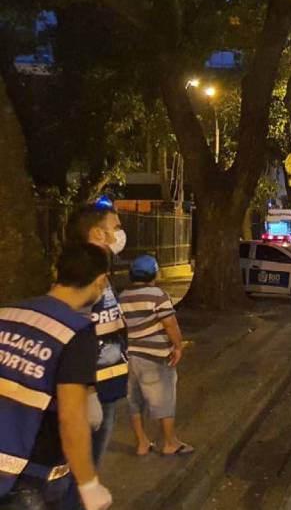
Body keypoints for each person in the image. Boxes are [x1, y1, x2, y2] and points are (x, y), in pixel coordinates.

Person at [0, 243, 114, 510]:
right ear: (100, 281)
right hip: (30, 477)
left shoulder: (7, 314)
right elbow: (72, 418)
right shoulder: (75, 332)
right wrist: (89, 485)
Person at [68, 203, 129, 465]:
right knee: (82, 471)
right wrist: (88, 391)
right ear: (97, 234)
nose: (120, 234)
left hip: (106, 386)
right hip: (91, 391)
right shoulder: (83, 276)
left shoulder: (99, 273)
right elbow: (75, 334)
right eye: (116, 227)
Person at [119, 255, 193, 458]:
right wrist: (177, 347)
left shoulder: (122, 296)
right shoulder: (157, 295)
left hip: (131, 356)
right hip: (155, 356)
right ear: (154, 274)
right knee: (164, 398)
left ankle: (142, 442)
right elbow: (170, 324)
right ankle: (170, 442)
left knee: (134, 400)